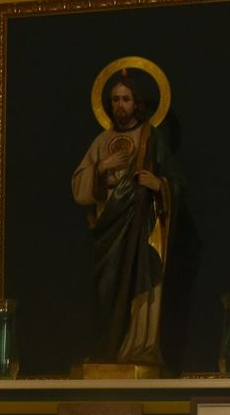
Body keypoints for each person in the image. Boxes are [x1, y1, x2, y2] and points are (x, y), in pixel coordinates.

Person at [70, 68, 176, 367]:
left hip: (141, 228)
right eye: (115, 99)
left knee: (140, 284)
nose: (119, 105)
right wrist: (102, 167)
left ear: (136, 103)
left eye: (125, 99)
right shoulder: (101, 141)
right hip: (109, 228)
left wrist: (159, 185)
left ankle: (137, 348)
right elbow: (79, 189)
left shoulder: (150, 139)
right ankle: (107, 348)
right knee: (107, 290)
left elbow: (176, 182)